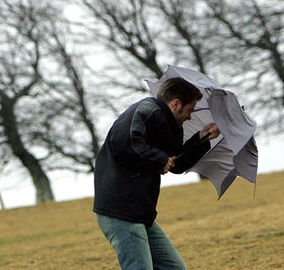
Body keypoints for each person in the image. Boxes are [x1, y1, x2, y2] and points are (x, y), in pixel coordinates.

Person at [93, 77, 220, 269]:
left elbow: (175, 163)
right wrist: (160, 159)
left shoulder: (170, 125)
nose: (190, 116)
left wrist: (201, 139)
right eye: (190, 110)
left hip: (141, 213)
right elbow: (123, 143)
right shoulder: (144, 110)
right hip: (121, 211)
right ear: (176, 103)